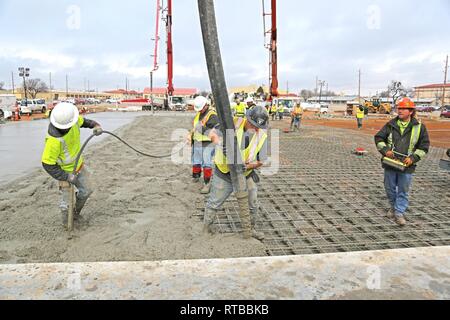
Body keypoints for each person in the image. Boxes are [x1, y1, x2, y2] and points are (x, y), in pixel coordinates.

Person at [204, 106, 269, 240]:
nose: (255, 128)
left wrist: (249, 165)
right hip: (224, 172)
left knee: (253, 203)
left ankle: (250, 230)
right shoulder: (232, 122)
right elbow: (212, 133)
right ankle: (206, 228)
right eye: (252, 124)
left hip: (245, 174)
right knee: (214, 202)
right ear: (247, 118)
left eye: (258, 126)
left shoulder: (261, 136)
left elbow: (261, 160)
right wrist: (219, 143)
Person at [41, 103, 103, 228]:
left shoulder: (73, 121)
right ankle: (67, 223)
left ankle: (75, 213)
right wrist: (66, 176)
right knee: (66, 202)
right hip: (64, 172)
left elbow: (84, 121)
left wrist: (95, 125)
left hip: (79, 166)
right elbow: (47, 164)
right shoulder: (54, 141)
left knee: (86, 191)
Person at [374, 97, 430, 226]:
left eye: (403, 108)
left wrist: (413, 158)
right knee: (389, 188)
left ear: (411, 111)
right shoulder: (391, 124)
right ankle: (393, 206)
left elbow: (424, 147)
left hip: (407, 165)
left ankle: (399, 212)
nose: (400, 110)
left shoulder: (419, 127)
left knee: (403, 190)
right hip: (391, 162)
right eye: (399, 108)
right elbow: (379, 138)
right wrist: (386, 150)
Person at [188, 96, 219, 194]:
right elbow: (195, 126)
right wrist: (190, 135)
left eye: (201, 108)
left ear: (206, 105)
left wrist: (201, 128)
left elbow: (214, 132)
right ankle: (196, 177)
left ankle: (207, 183)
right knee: (196, 161)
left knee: (207, 163)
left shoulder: (212, 115)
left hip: (207, 143)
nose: (199, 110)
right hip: (197, 141)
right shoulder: (199, 114)